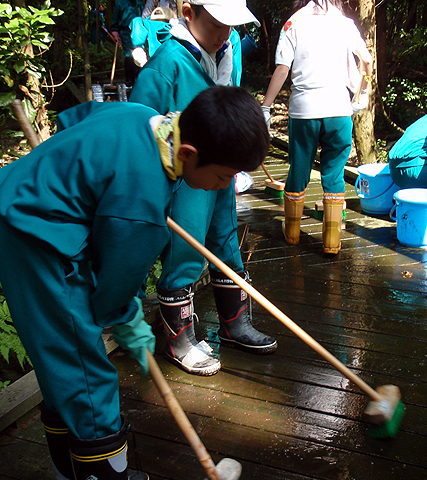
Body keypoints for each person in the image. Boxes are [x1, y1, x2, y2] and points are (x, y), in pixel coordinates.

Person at [0, 86, 269, 480]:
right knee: (84, 366)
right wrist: (126, 315)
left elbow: (75, 120)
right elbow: (112, 293)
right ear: (188, 154)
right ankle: (105, 473)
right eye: (223, 176)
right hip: (40, 246)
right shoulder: (141, 209)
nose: (225, 187)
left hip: (25, 218)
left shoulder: (142, 117)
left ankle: (71, 470)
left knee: (60, 365)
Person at [129, 0, 277, 377]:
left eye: (231, 27)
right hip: (187, 172)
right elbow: (140, 125)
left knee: (226, 238)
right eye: (216, 25)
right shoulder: (167, 63)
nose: (225, 35)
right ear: (188, 12)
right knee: (187, 246)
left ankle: (235, 323)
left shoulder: (226, 51)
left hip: (221, 168)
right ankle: (181, 338)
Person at [261, 0, 373, 254]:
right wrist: (361, 94)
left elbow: (282, 69)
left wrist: (266, 107)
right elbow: (366, 62)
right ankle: (332, 242)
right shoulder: (346, 24)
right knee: (333, 173)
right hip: (338, 110)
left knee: (299, 168)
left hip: (304, 112)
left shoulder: (294, 23)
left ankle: (292, 234)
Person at [111, 0, 146, 86]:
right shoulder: (120, 3)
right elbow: (115, 18)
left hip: (138, 32)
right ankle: (129, 79)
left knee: (139, 53)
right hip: (125, 31)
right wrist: (115, 30)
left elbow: (144, 17)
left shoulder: (139, 3)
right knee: (129, 54)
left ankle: (139, 78)